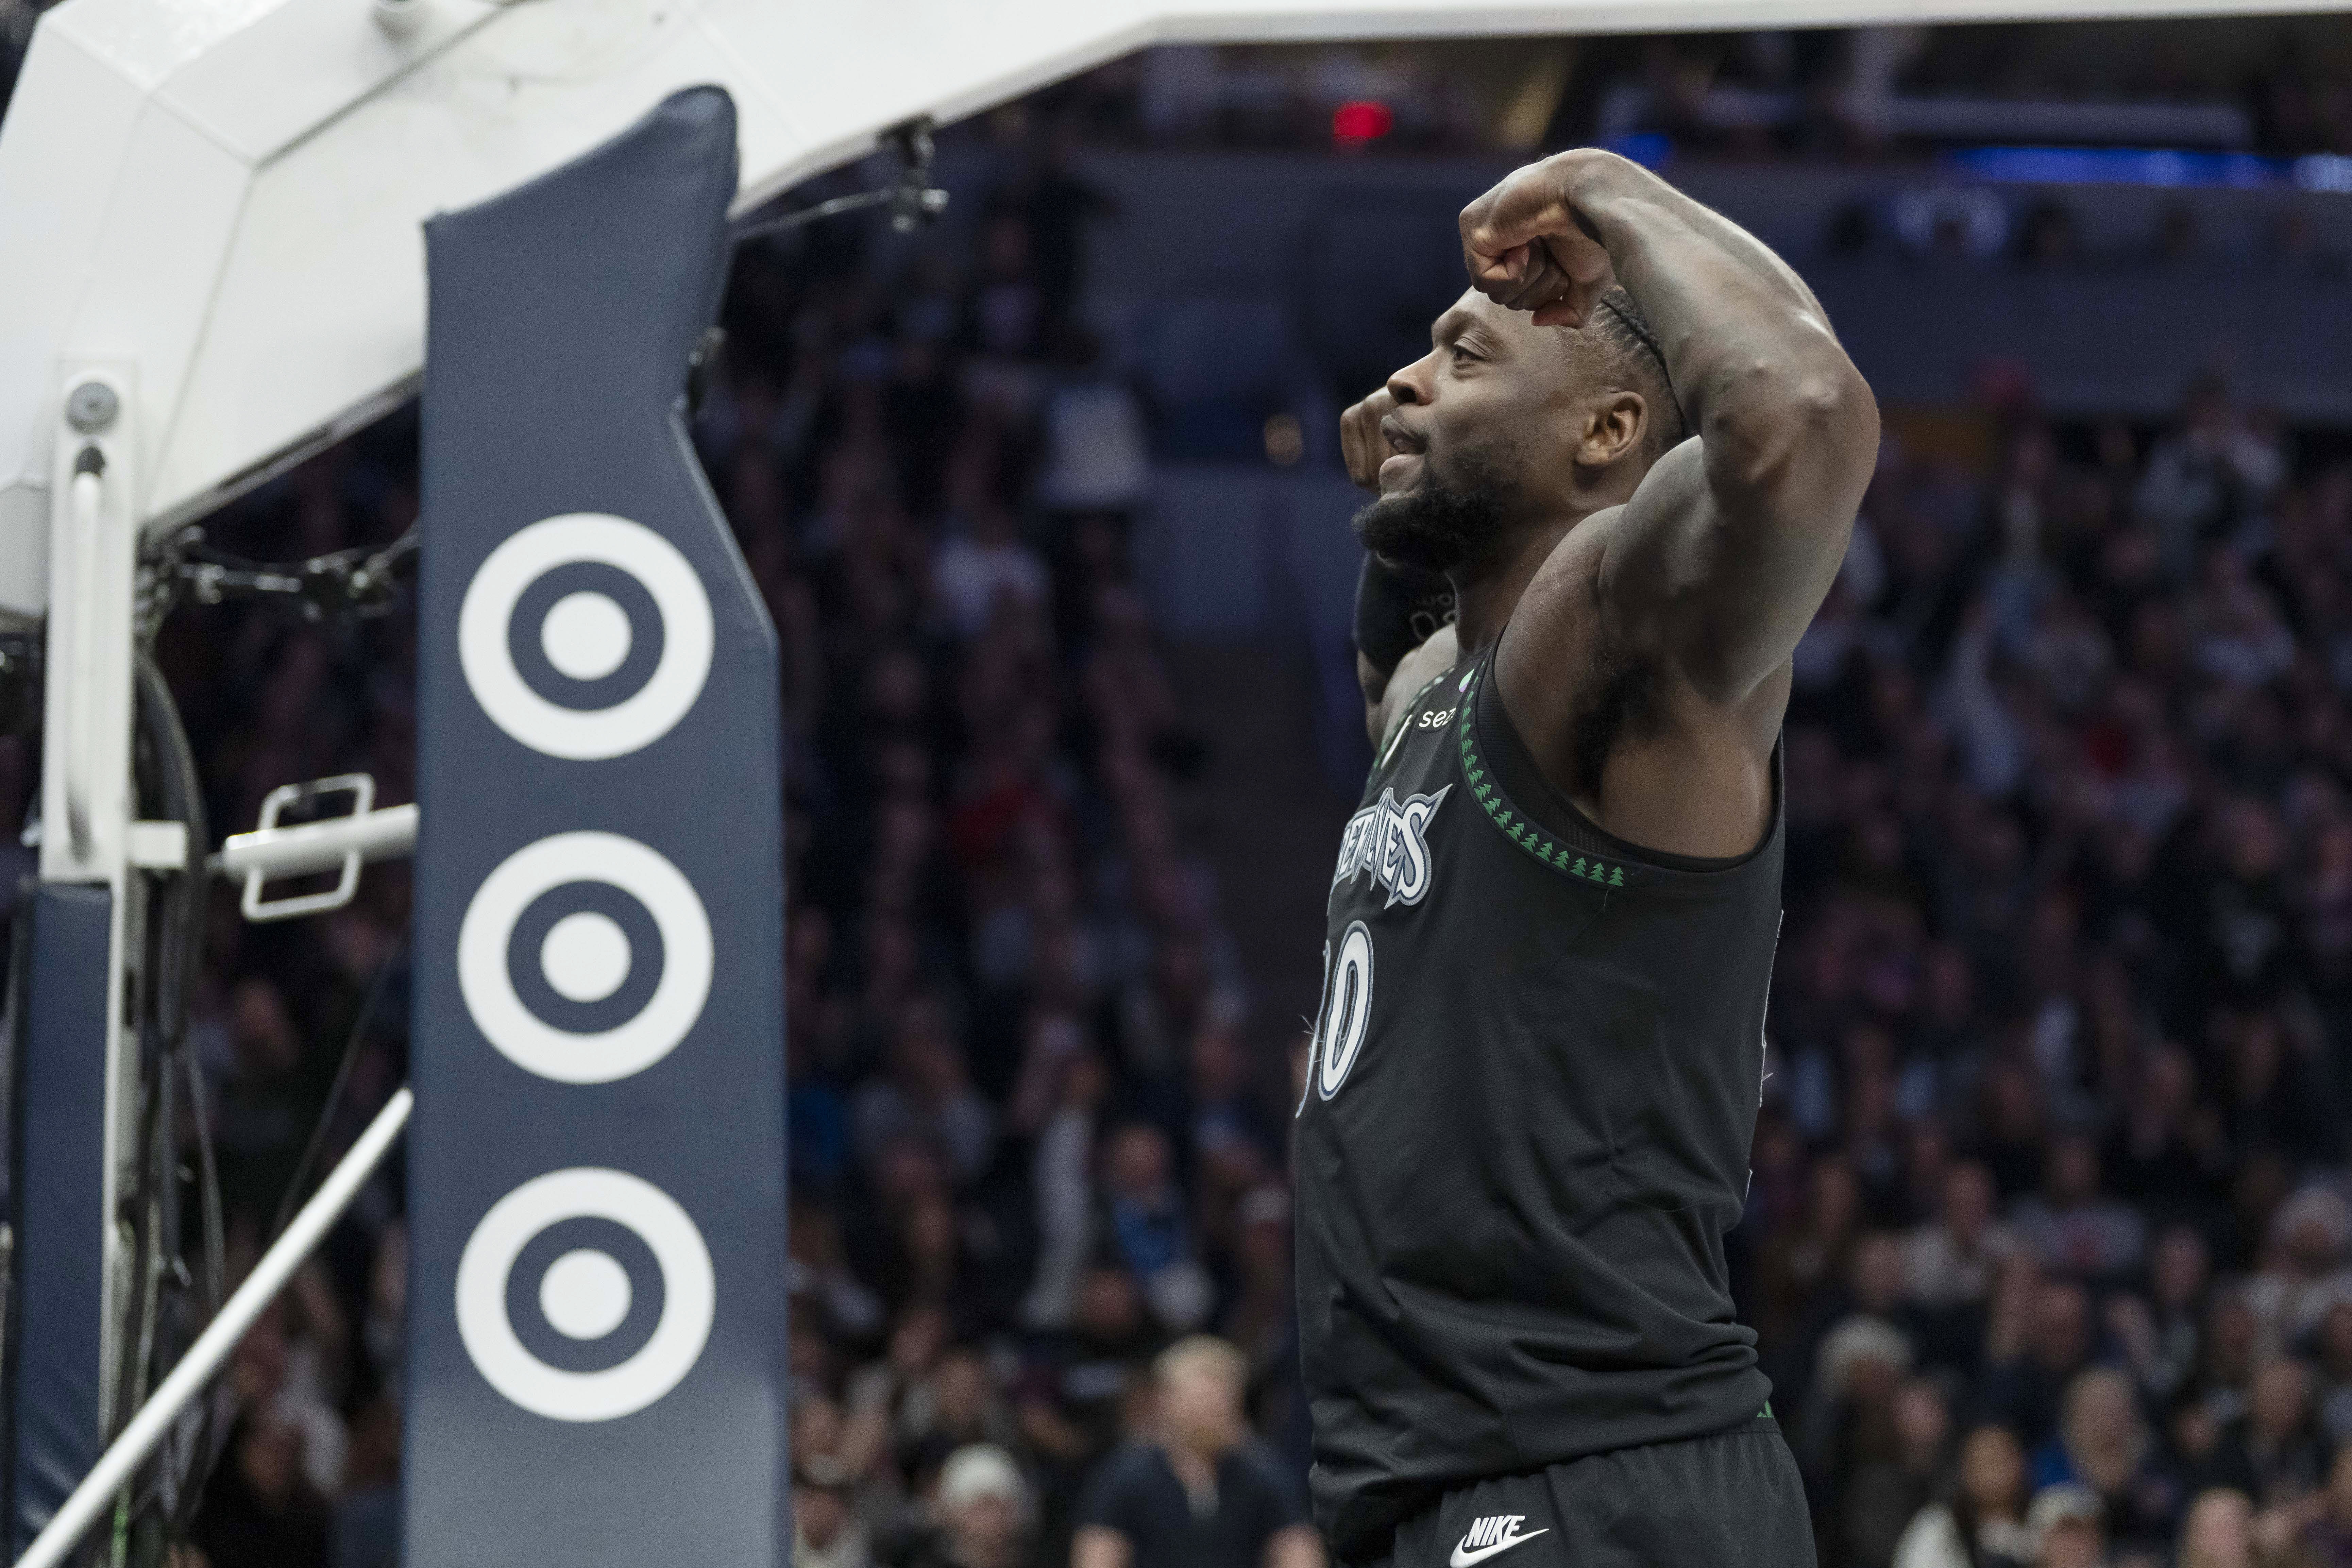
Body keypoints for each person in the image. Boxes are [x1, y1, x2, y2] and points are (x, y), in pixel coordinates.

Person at [1296, 146, 1878, 1567]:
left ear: (1611, 430)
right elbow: (1387, 661)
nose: (1403, 380)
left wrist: (1608, 188)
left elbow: (1803, 415)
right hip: (1455, 1477)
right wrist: (1413, 490)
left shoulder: (1616, 626)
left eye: (1461, 354)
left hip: (1590, 1475)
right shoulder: (1449, 683)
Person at [1072, 1336, 1322, 1568]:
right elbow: (1097, 1554)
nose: (1209, 1410)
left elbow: (1299, 1551)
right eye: (1199, 1399)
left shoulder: (1264, 1473)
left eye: (1220, 1398)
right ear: (1165, 1401)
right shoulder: (1125, 1476)